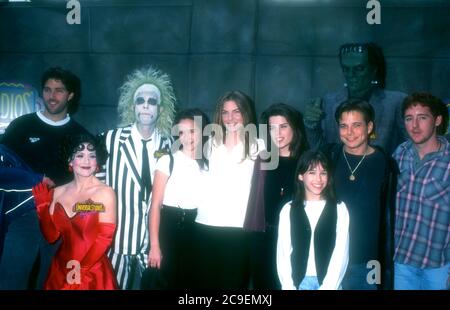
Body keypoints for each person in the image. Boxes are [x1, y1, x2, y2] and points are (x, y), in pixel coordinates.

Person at [0, 67, 90, 289]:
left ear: (70, 95)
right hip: (23, 216)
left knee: (52, 284)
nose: (52, 96)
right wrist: (34, 180)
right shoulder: (21, 126)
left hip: (62, 219)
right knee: (11, 281)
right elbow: (3, 171)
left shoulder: (82, 135)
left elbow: (89, 188)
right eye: (48, 90)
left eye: (59, 90)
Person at [99, 66, 176, 289]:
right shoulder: (111, 139)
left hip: (153, 242)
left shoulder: (168, 145)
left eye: (152, 101)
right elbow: (94, 186)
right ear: (133, 106)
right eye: (140, 100)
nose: (145, 105)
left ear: (160, 109)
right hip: (116, 239)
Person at [194, 90, 264, 289]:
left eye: (236, 112)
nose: (230, 118)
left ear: (246, 113)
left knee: (233, 288)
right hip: (205, 225)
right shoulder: (208, 145)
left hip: (239, 228)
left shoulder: (259, 147)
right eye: (225, 112)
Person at [324, 99, 396, 290]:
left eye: (356, 125)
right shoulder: (328, 158)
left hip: (369, 261)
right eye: (343, 126)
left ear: (369, 126)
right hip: (329, 257)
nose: (349, 132)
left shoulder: (386, 164)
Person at [31, 134, 117, 290]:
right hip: (60, 269)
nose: (86, 161)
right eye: (80, 155)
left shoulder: (105, 193)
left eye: (92, 156)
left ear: (97, 162)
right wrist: (42, 208)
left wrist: (80, 273)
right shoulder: (57, 192)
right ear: (70, 160)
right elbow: (51, 237)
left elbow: (104, 238)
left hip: (91, 272)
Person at [244, 103, 308, 289]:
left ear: (294, 128)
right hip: (264, 238)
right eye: (272, 128)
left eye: (283, 126)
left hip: (295, 238)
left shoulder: (305, 161)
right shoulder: (263, 159)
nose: (277, 133)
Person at [304, 42, 407, 154]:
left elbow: (411, 146)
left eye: (359, 69)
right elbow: (319, 153)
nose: (351, 75)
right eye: (346, 69)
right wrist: (311, 127)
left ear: (373, 70)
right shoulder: (329, 102)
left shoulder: (395, 103)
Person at [147, 108, 210, 289]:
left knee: (191, 282)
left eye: (192, 131)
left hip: (196, 229)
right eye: (181, 132)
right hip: (169, 227)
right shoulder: (167, 160)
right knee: (165, 282)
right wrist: (154, 245)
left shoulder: (208, 164)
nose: (187, 137)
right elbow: (156, 205)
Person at [392, 92, 449, 290]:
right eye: (409, 118)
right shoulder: (400, 154)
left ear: (437, 120)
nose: (414, 125)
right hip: (402, 260)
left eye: (422, 117)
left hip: (439, 265)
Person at [276, 150, 349, 290]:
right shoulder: (288, 210)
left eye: (323, 173)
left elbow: (341, 253)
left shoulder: (340, 208)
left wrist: (328, 287)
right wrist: (289, 287)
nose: (318, 179)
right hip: (298, 283)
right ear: (300, 176)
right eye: (312, 172)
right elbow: (283, 254)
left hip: (330, 284)